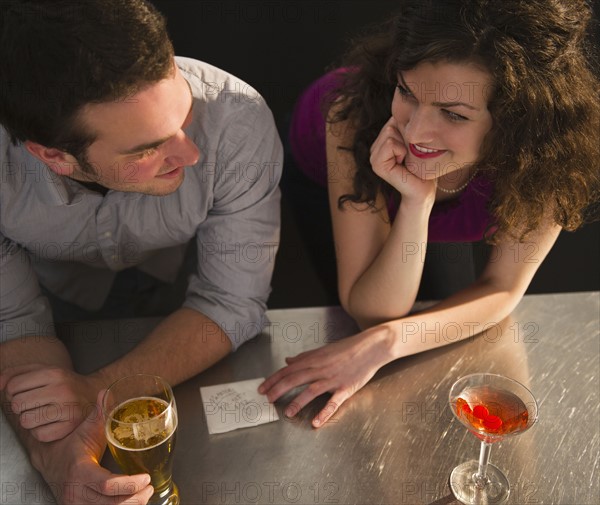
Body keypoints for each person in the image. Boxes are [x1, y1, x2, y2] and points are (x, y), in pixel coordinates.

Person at [260, 0, 599, 428]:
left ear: (519, 119)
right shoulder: (351, 119)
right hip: (329, 170)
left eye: (454, 114)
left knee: (436, 326)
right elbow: (370, 311)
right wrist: (417, 201)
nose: (415, 131)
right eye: (407, 92)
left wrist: (388, 341)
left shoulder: (550, 157)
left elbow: (502, 288)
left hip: (435, 188)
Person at [0, 1, 281, 503]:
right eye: (147, 149)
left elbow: (230, 301)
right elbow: (15, 322)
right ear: (53, 157)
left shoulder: (236, 119)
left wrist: (102, 390)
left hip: (177, 297)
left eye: (185, 116)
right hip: (52, 311)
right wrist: (58, 459)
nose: (192, 155)